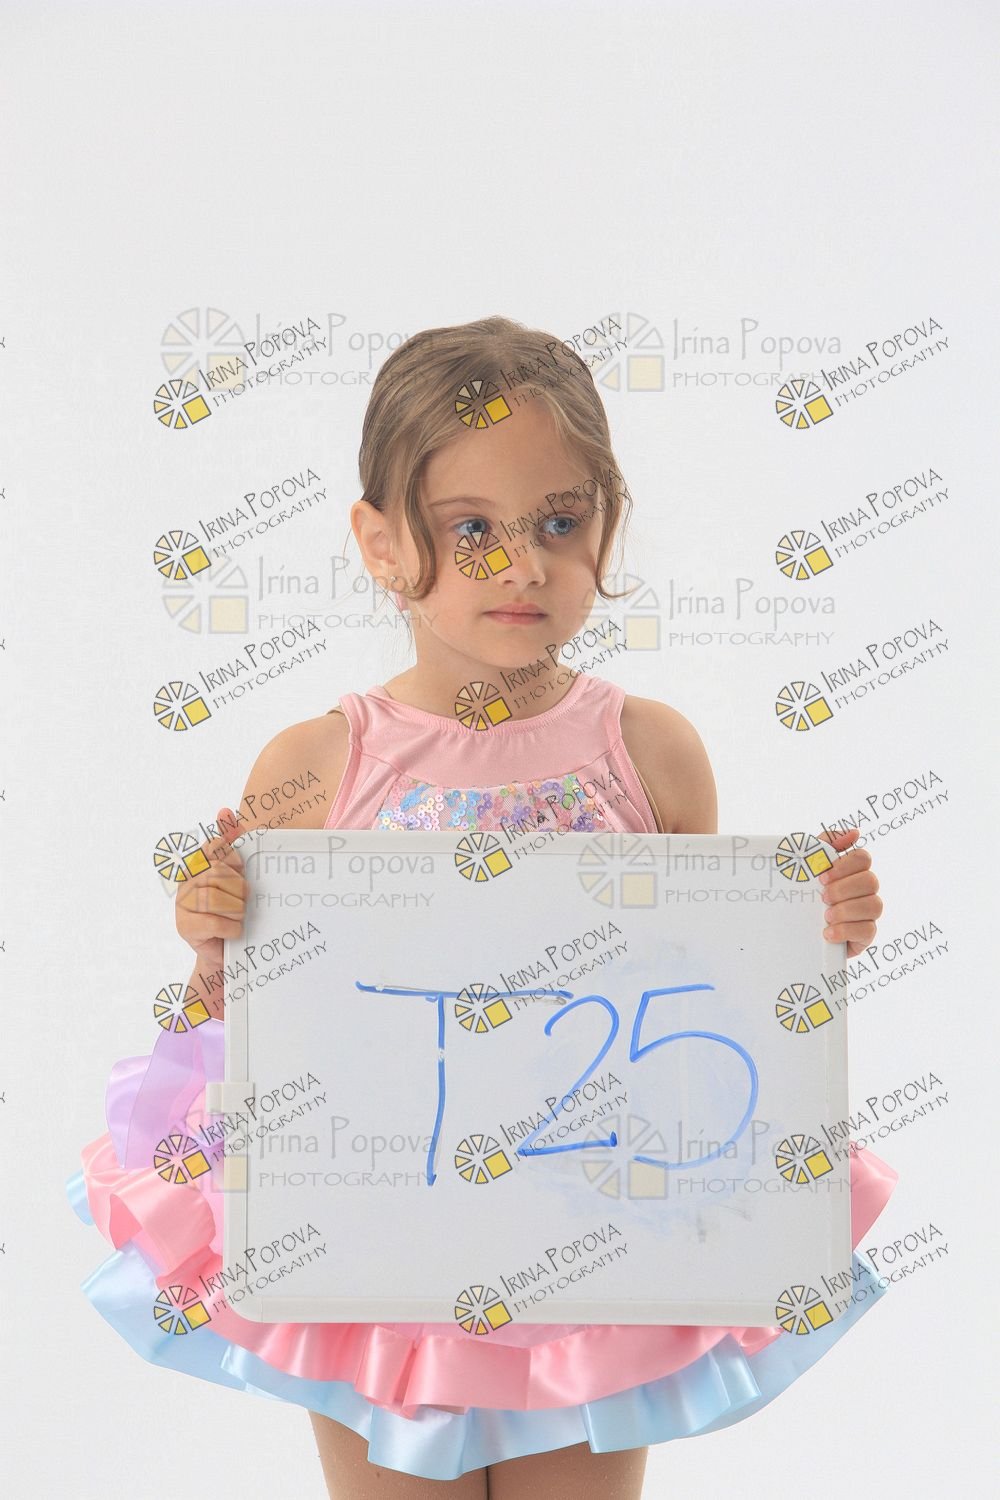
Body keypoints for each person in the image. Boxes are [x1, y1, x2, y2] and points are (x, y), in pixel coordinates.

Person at [67, 315, 895, 1498]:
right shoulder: (315, 764)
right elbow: (265, 1033)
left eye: (558, 523)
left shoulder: (648, 750)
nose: (522, 567)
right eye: (471, 530)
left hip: (591, 1237)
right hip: (382, 1241)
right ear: (379, 541)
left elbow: (694, 997)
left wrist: (811, 937)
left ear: (607, 524)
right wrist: (213, 951)